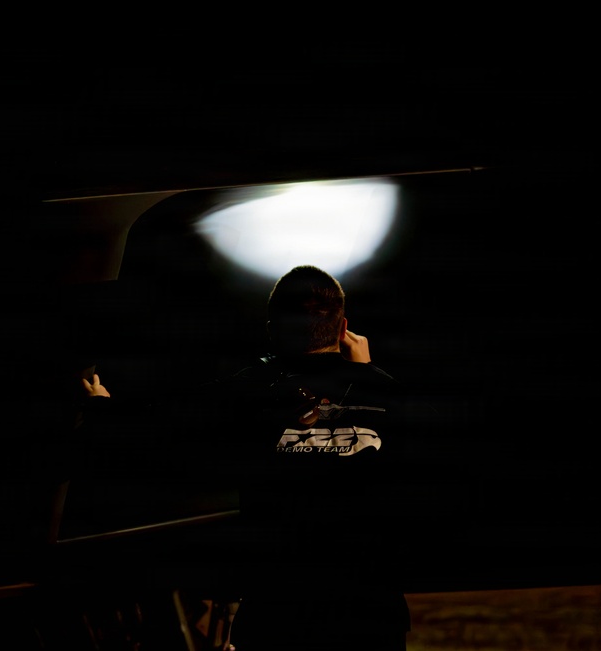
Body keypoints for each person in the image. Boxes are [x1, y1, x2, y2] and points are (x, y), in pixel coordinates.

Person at [80, 264, 414, 650]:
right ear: (342, 330)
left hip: (279, 615)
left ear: (273, 329)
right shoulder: (389, 395)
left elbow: (151, 431)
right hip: (371, 615)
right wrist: (368, 374)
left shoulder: (248, 392)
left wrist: (101, 408)